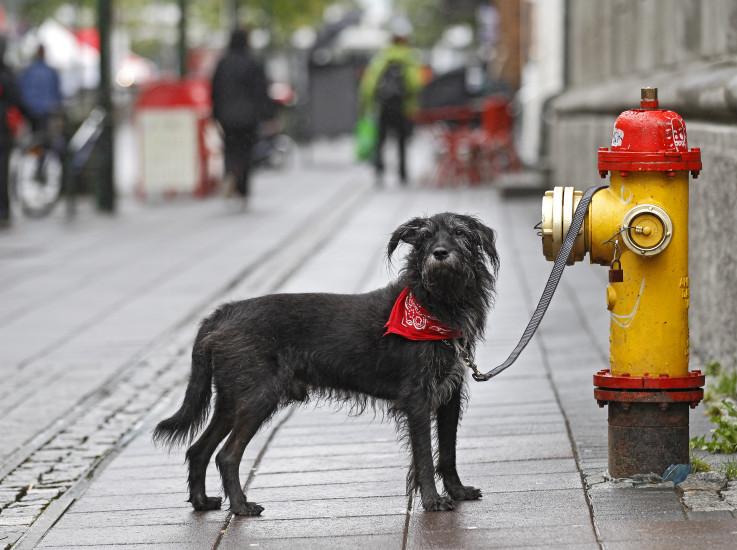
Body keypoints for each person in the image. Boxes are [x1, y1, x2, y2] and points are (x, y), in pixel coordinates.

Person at [359, 20, 423, 186]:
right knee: (401, 142)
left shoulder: (382, 57)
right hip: (402, 107)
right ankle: (402, 175)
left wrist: (367, 103)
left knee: (381, 141)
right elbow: (415, 84)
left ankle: (379, 172)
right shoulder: (410, 57)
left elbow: (369, 84)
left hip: (383, 106)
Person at [211, 27, 270, 205]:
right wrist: (267, 115)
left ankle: (229, 173)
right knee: (246, 152)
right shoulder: (252, 63)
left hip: (227, 116)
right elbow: (261, 91)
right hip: (248, 116)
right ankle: (243, 191)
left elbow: (215, 91)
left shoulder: (223, 63)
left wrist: (216, 114)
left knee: (229, 149)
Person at [0, 36, 35, 228]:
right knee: (2, 169)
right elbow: (17, 100)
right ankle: (3, 209)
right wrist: (31, 119)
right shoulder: (6, 73)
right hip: (2, 130)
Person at [20, 44, 62, 134]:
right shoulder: (49, 71)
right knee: (43, 135)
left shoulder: (29, 70)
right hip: (44, 109)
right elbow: (56, 91)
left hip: (32, 109)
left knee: (36, 135)